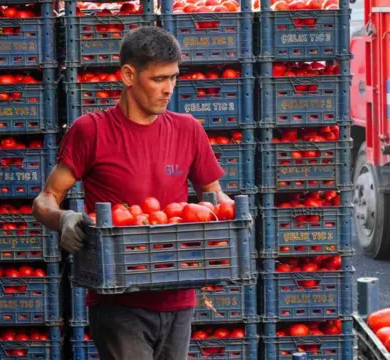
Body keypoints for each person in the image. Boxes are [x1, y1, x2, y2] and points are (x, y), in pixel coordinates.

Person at [32, 26, 231, 360]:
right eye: (158, 79)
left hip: (179, 295)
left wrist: (232, 216)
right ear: (128, 75)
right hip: (119, 299)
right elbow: (46, 198)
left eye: (173, 78)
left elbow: (213, 197)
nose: (168, 89)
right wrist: (63, 217)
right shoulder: (91, 130)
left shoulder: (188, 130)